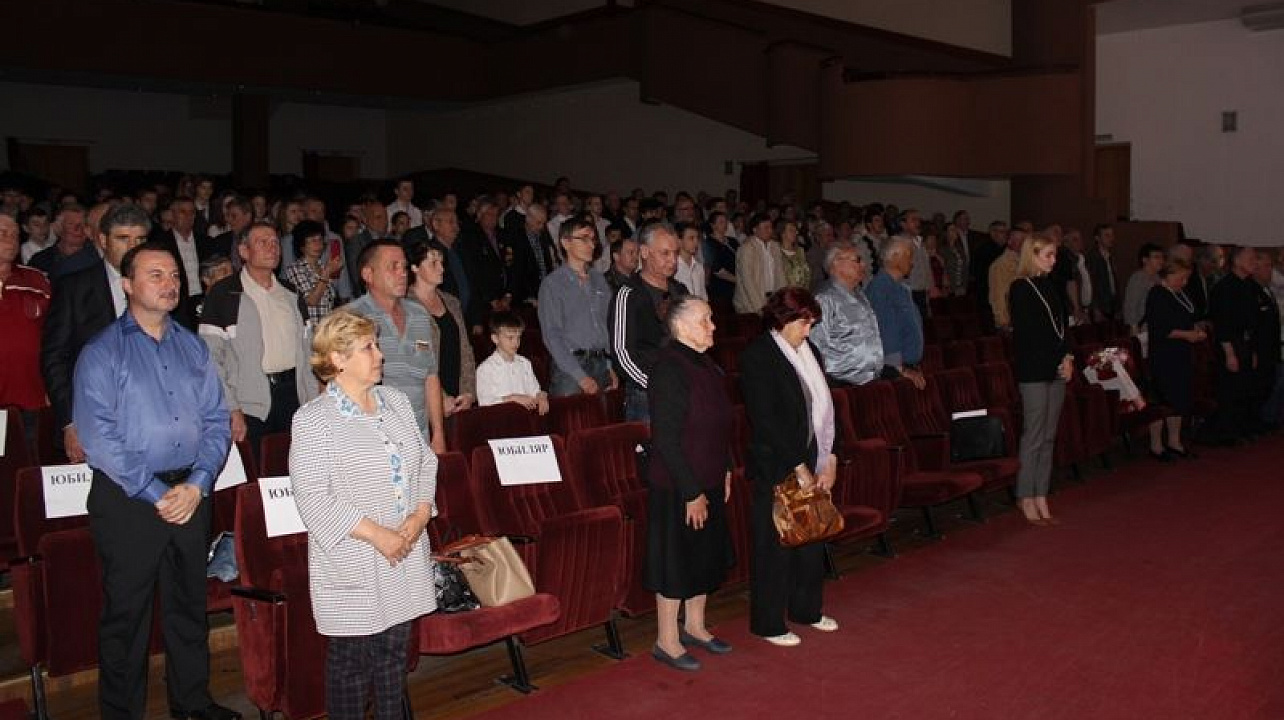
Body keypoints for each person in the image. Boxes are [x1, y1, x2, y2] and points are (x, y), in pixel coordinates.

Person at [73, 241, 238, 720]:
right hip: (128, 499)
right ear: (127, 285)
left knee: (188, 608)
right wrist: (156, 493)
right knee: (128, 617)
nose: (169, 284)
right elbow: (99, 437)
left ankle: (192, 703)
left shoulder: (192, 345)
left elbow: (215, 420)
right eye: (155, 275)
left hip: (189, 492)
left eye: (173, 276)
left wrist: (200, 481)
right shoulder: (102, 352)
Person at [289, 308, 436, 720]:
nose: (380, 355)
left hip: (403, 551)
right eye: (368, 347)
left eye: (377, 345)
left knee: (393, 659)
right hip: (355, 558)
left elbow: (425, 462)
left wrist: (420, 514)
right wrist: (379, 535)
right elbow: (314, 497)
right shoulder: (313, 421)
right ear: (337, 358)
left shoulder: (397, 402)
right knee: (351, 666)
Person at [739, 288, 837, 646]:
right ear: (783, 319)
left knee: (811, 537)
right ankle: (768, 623)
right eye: (804, 322)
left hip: (811, 458)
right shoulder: (758, 356)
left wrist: (829, 460)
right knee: (775, 543)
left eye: (811, 323)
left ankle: (806, 610)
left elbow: (825, 412)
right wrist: (799, 466)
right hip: (776, 462)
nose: (808, 330)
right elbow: (766, 419)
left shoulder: (809, 352)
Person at [646, 296, 734, 672]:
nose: (713, 326)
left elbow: (720, 424)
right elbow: (666, 438)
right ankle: (666, 640)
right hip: (678, 485)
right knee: (676, 562)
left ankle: (695, 627)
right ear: (681, 327)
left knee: (704, 557)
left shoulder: (707, 365)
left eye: (711, 318)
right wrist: (691, 491)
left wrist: (726, 468)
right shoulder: (668, 368)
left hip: (710, 476)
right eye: (705, 320)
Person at [42, 204, 152, 463]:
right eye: (123, 239)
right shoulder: (74, 288)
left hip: (150, 417)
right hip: (93, 416)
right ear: (103, 240)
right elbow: (55, 359)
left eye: (139, 240)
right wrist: (70, 422)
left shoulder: (159, 284)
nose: (132, 247)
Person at [200, 222, 311, 462]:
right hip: (249, 403)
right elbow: (210, 359)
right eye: (263, 242)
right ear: (243, 251)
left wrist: (313, 399)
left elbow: (308, 348)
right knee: (256, 478)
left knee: (295, 470)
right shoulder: (224, 294)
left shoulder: (291, 293)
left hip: (294, 395)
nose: (272, 248)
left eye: (275, 243)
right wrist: (232, 408)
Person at [348, 240, 448, 452]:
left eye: (403, 267)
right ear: (368, 275)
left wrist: (438, 434)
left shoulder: (419, 314)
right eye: (392, 267)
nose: (402, 273)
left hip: (419, 437)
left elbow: (430, 376)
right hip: (374, 441)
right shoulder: (352, 318)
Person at [1008, 235, 1074, 525]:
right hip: (1035, 370)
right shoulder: (1020, 288)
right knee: (1034, 436)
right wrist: (1057, 360)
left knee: (1048, 437)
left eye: (1054, 255)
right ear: (1031, 255)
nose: (1053, 260)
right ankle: (1025, 495)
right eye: (1047, 255)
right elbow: (1030, 336)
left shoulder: (1050, 285)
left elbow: (1062, 327)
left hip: (1056, 368)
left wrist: (1068, 357)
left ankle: (1042, 494)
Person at [612, 221, 688, 422]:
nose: (672, 260)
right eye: (665, 253)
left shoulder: (680, 291)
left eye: (675, 253)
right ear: (644, 252)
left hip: (682, 387)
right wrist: (654, 384)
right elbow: (622, 354)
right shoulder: (628, 294)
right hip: (647, 394)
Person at [538, 218, 618, 398]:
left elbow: (608, 326)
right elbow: (552, 335)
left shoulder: (599, 280)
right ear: (566, 243)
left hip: (601, 362)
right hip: (570, 367)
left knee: (604, 422)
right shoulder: (552, 284)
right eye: (584, 238)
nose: (591, 244)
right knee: (572, 424)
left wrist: (611, 365)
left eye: (593, 239)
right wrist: (579, 376)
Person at [1145, 257, 1205, 459]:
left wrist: (1195, 330)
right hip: (1164, 355)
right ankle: (1156, 445)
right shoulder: (1157, 294)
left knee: (1180, 397)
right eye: (1181, 278)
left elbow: (1189, 317)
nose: (1184, 283)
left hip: (1181, 353)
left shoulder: (1180, 294)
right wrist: (1188, 335)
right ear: (1168, 276)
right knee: (1162, 400)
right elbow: (1162, 329)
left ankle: (1174, 441)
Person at [407, 242, 476, 417]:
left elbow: (466, 349)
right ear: (415, 267)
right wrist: (439, 397)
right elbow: (416, 359)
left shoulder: (452, 302)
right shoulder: (405, 306)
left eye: (442, 263)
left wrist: (468, 392)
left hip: (457, 391)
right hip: (426, 396)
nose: (441, 268)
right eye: (433, 263)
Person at [0, 212, 51, 447]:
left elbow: (55, 340)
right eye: (3, 233)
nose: (11, 240)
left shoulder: (37, 281)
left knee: (28, 472)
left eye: (15, 235)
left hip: (31, 401)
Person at [1206, 246, 1261, 445]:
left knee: (1246, 387)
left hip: (1246, 342)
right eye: (1251, 258)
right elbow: (1222, 323)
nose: (1254, 262)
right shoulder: (1224, 288)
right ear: (1237, 261)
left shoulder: (1250, 285)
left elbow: (1254, 320)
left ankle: (1241, 427)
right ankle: (1227, 432)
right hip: (1230, 343)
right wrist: (1229, 353)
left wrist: (1253, 350)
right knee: (1230, 389)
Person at [811, 242, 884, 387]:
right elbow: (817, 347)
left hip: (868, 380)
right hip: (842, 384)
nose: (863, 265)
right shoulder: (824, 298)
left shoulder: (860, 294)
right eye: (857, 260)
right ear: (836, 264)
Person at [866, 237, 926, 388]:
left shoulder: (900, 287)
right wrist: (898, 369)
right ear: (894, 257)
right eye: (908, 256)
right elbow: (886, 330)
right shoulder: (881, 288)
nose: (912, 262)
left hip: (906, 366)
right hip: (897, 371)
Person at [475, 311, 548, 414]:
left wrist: (541, 396)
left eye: (518, 337)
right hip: (500, 423)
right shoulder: (485, 369)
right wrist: (512, 399)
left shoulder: (525, 363)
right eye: (510, 338)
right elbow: (485, 403)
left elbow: (535, 391)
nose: (516, 342)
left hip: (526, 420)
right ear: (495, 338)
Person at [283, 219, 342, 324]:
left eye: (320, 239)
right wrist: (327, 273)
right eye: (313, 240)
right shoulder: (295, 269)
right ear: (302, 245)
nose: (318, 244)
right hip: (309, 330)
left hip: (326, 329)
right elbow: (311, 301)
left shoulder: (323, 267)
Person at [1123, 243, 1164, 336]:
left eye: (1162, 257)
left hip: (1156, 326)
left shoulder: (1159, 278)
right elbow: (1131, 305)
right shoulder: (1138, 278)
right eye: (1156, 257)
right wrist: (1134, 327)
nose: (1161, 261)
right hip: (1142, 327)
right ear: (1145, 260)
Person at [1086, 224, 1119, 321]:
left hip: (1111, 304)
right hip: (1101, 306)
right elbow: (1091, 283)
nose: (1111, 238)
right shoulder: (1092, 257)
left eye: (1112, 235)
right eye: (1107, 235)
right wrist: (1096, 308)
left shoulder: (1110, 257)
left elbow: (1114, 282)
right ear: (1097, 238)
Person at [673, 221, 707, 300]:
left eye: (697, 238)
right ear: (679, 241)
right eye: (691, 238)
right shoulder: (673, 267)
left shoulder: (699, 267)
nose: (696, 242)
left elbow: (703, 294)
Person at [775, 218, 810, 290]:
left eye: (795, 230)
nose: (795, 233)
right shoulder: (776, 252)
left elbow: (807, 275)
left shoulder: (800, 251)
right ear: (782, 233)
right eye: (791, 230)